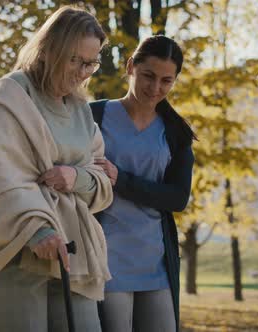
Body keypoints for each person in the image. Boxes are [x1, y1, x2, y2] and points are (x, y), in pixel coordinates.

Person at [0, 6, 113, 332]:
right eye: (75, 60)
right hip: (13, 251)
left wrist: (76, 177)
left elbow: (102, 177)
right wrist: (37, 228)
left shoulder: (82, 111)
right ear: (50, 49)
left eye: (90, 63)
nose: (83, 72)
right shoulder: (12, 94)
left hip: (72, 252)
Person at [91, 35, 196, 332]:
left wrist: (121, 180)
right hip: (106, 257)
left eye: (166, 81)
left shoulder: (176, 132)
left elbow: (177, 199)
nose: (155, 88)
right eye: (148, 76)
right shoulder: (94, 116)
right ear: (130, 67)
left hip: (156, 261)